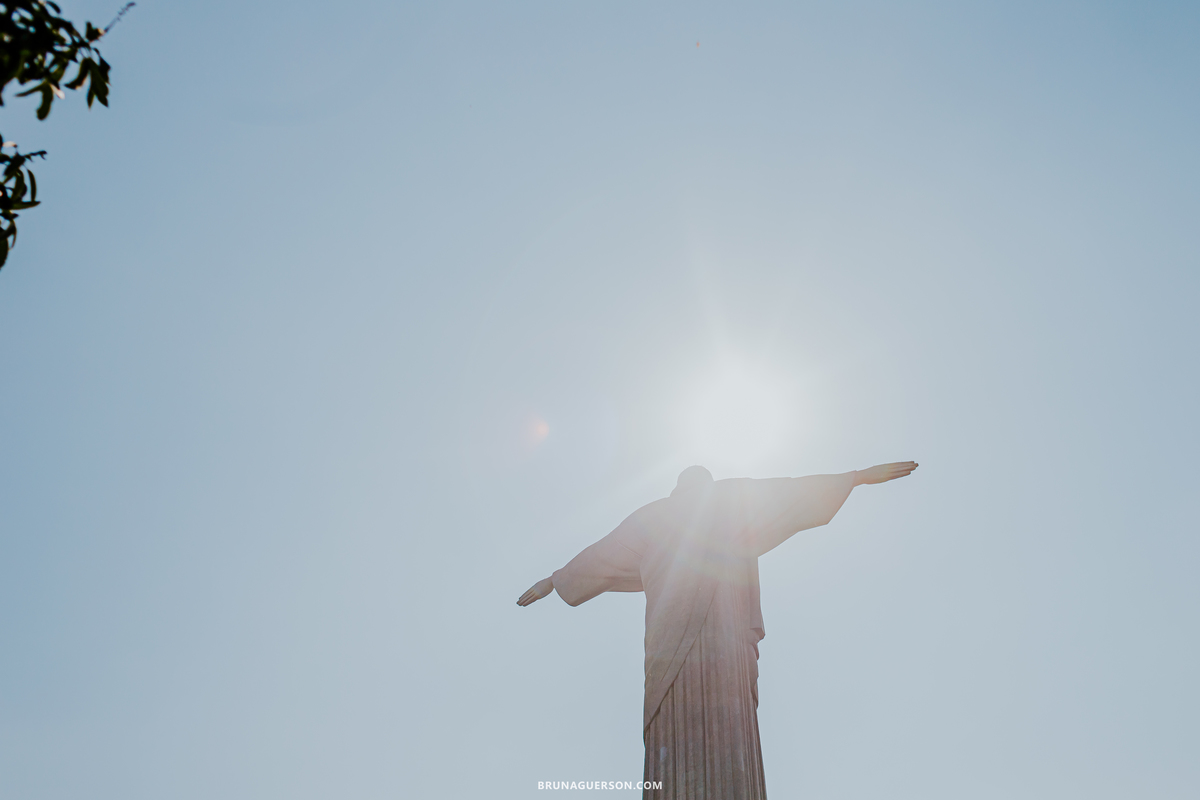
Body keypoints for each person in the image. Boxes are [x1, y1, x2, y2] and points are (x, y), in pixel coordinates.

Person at [517, 461, 918, 799]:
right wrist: (555, 580)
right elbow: (604, 554)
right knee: (675, 733)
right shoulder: (683, 513)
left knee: (726, 728)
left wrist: (853, 478)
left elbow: (788, 495)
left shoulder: (715, 506)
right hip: (670, 644)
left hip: (715, 640)